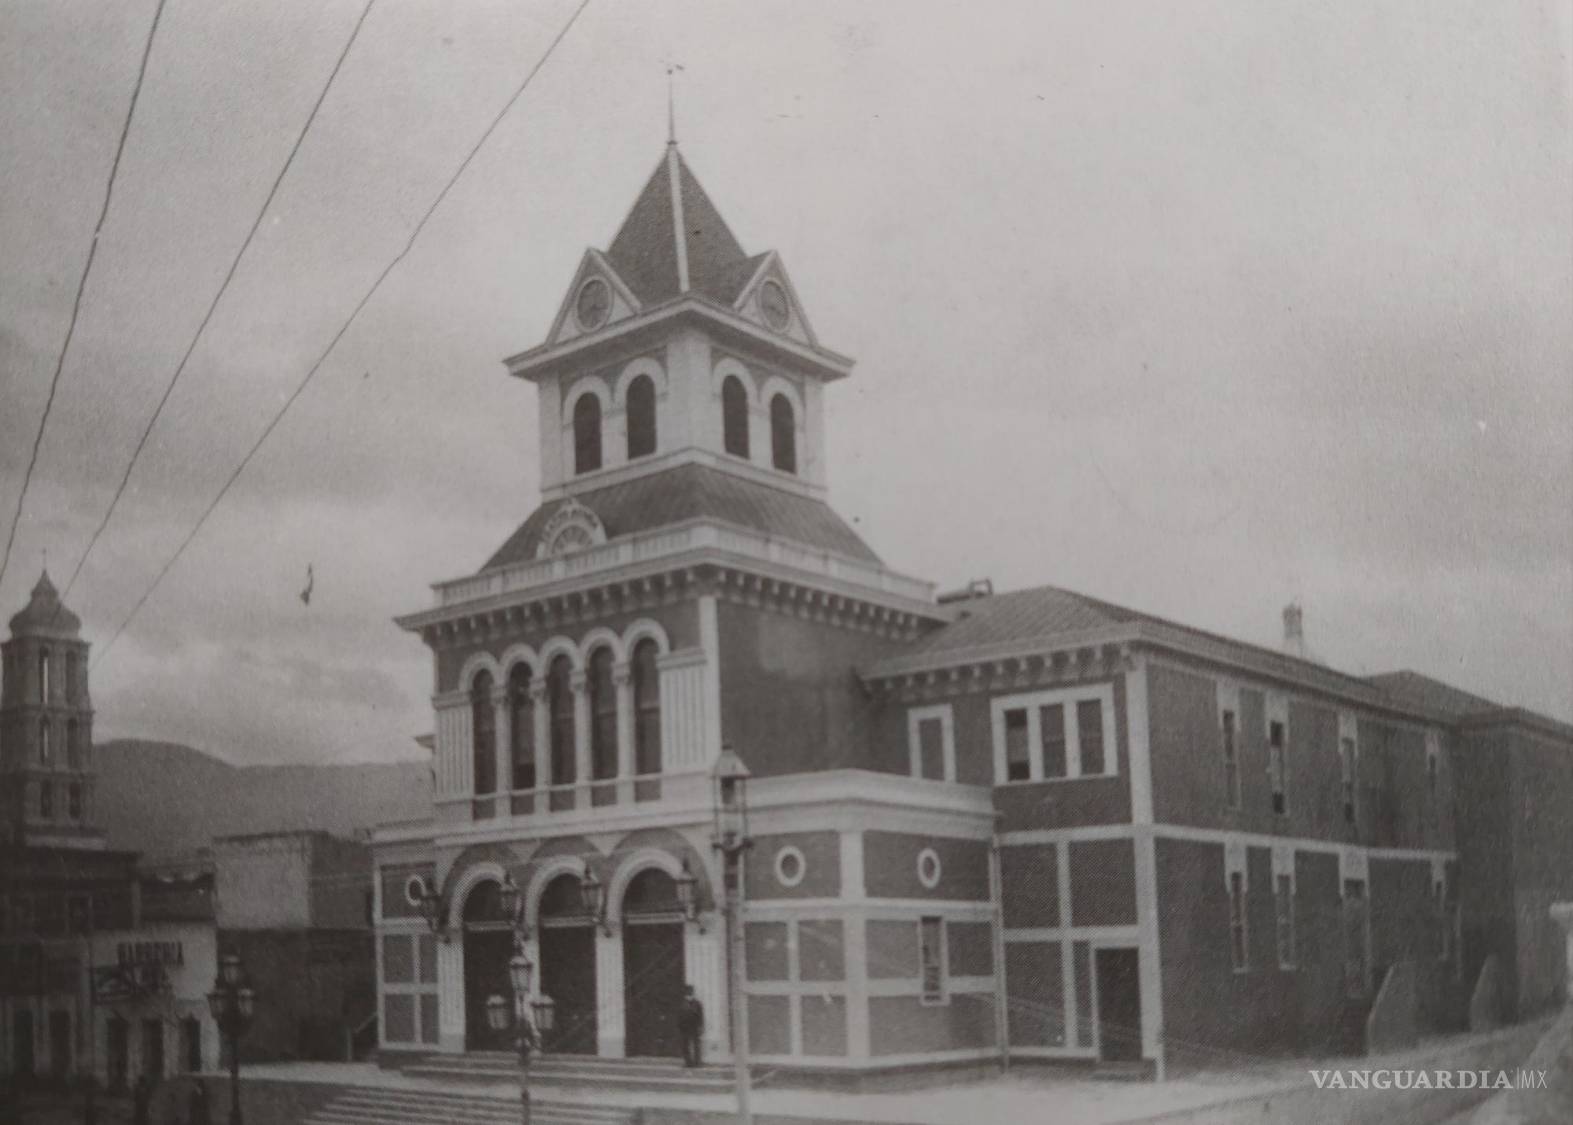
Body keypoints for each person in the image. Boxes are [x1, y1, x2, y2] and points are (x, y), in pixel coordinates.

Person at [677, 985, 704, 1068]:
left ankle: (697, 1062)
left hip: (694, 1026)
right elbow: (679, 1016)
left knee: (696, 1044)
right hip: (684, 1027)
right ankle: (688, 1062)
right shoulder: (681, 1003)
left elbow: (700, 1016)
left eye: (691, 993)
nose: (689, 996)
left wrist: (701, 1026)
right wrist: (679, 1026)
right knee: (685, 1045)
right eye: (688, 994)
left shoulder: (697, 1004)